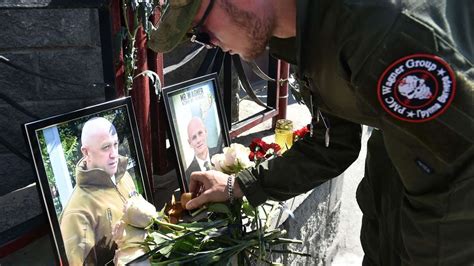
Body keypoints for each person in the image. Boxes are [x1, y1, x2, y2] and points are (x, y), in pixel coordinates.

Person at [149, 0, 473, 265]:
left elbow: (455, 188)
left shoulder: (386, 29)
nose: (210, 45)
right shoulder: (300, 34)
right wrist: (241, 184)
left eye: (202, 31)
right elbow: (331, 145)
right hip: (395, 210)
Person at [59, 117, 138, 265]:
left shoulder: (123, 175)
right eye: (106, 147)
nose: (114, 153)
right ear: (86, 153)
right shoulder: (76, 213)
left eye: (115, 144)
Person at [184, 116, 218, 184]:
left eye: (200, 133)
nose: (198, 140)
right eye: (194, 137)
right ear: (189, 143)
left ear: (206, 132)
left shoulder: (221, 154)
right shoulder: (188, 175)